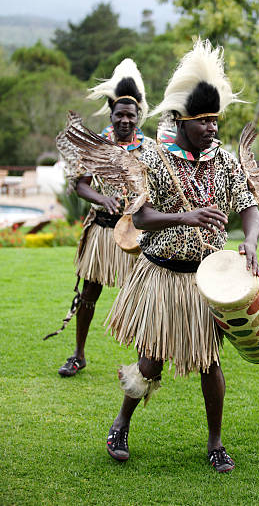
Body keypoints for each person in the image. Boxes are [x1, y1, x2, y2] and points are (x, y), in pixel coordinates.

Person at [104, 40, 259, 472]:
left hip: (206, 279)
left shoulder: (224, 162)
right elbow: (140, 217)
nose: (212, 127)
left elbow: (248, 206)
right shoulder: (153, 158)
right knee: (150, 360)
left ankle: (215, 443)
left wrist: (248, 240)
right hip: (162, 277)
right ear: (180, 120)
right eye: (203, 121)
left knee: (210, 362)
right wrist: (186, 216)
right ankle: (121, 422)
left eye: (215, 120)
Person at [55, 59, 152, 377]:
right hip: (102, 232)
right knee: (89, 294)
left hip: (136, 236)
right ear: (111, 114)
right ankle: (79, 354)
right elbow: (80, 186)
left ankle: (145, 360)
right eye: (119, 114)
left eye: (130, 115)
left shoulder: (148, 149)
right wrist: (102, 198)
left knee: (142, 295)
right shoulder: (97, 145)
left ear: (138, 116)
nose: (125, 120)